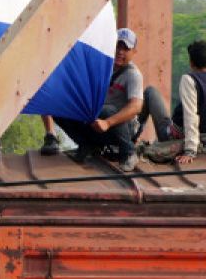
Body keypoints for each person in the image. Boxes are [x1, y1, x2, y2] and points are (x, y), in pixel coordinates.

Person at [53, 28, 144, 172]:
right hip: (97, 121)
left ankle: (129, 152)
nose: (120, 52)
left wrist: (108, 122)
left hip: (120, 127)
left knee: (107, 109)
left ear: (134, 52)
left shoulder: (133, 75)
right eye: (117, 46)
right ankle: (87, 145)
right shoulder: (102, 66)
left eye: (125, 48)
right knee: (58, 107)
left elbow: (136, 107)